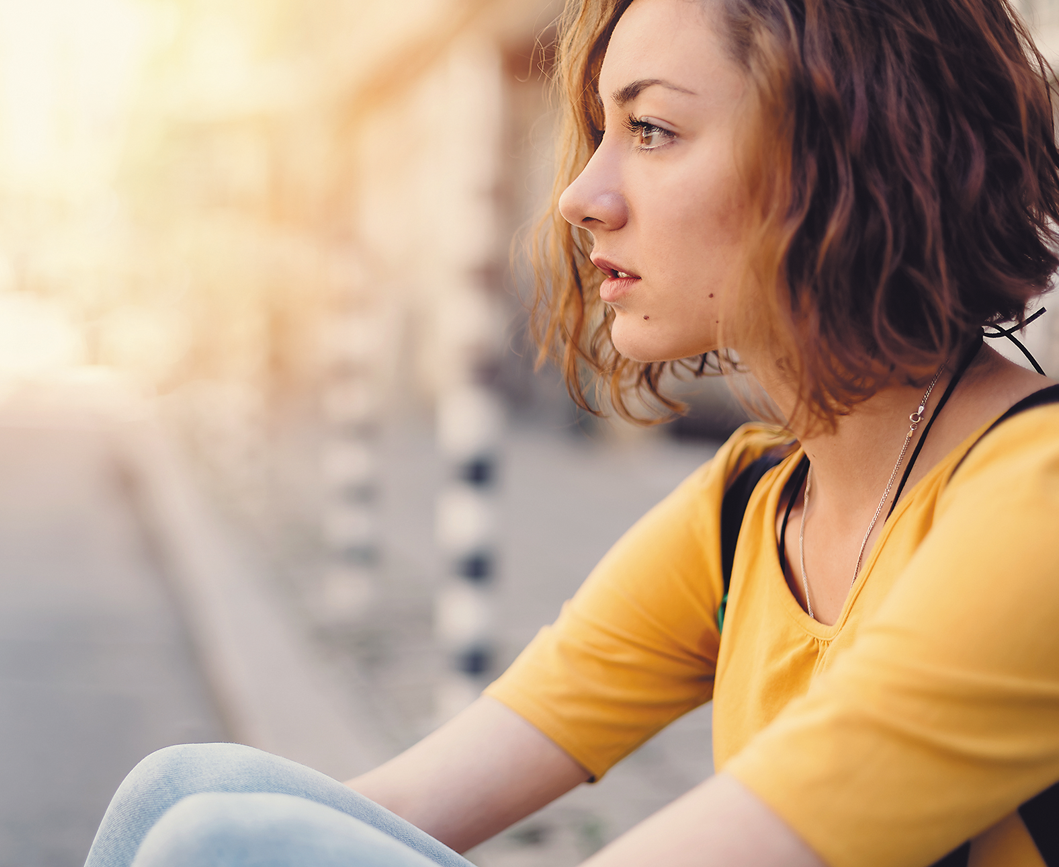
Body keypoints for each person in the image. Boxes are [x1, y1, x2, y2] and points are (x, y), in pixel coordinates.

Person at [84, 0, 1059, 864]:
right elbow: (404, 806)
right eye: (598, 131)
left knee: (218, 839)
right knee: (185, 795)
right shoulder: (753, 505)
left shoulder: (1036, 500)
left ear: (844, 152)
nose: (580, 196)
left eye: (652, 129)